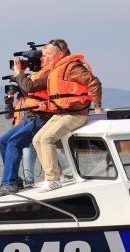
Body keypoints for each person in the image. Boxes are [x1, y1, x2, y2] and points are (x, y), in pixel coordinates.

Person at [32, 39, 102, 192]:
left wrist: (97, 106)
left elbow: (94, 83)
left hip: (76, 114)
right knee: (37, 139)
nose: (46, 58)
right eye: (45, 55)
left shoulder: (72, 67)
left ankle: (53, 179)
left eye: (49, 54)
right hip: (62, 113)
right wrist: (47, 105)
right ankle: (57, 176)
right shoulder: (57, 69)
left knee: (47, 138)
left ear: (61, 52)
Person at [0, 47, 53, 197]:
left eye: (34, 60)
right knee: (4, 140)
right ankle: (14, 179)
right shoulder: (36, 74)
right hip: (30, 118)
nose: (30, 64)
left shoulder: (49, 73)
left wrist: (20, 74)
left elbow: (30, 87)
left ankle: (9, 184)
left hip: (42, 118)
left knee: (14, 142)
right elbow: (28, 92)